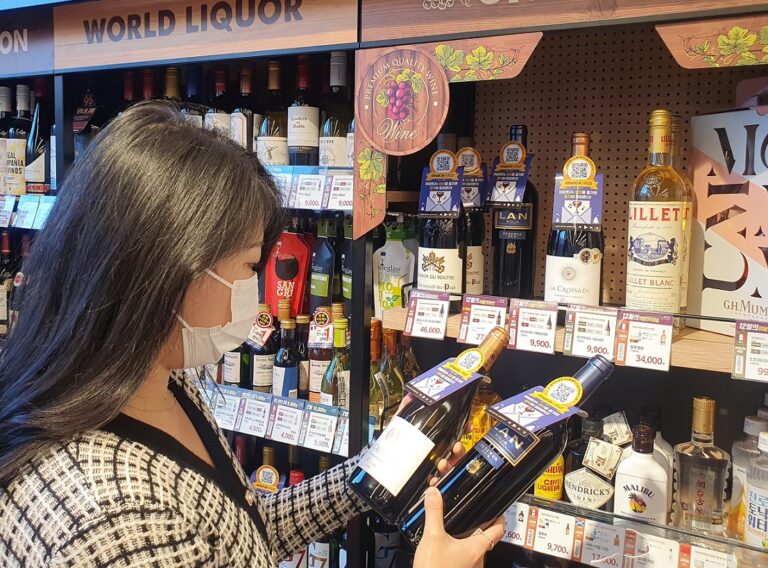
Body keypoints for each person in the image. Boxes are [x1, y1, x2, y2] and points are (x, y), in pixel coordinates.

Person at [0, 102, 503, 567]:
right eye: (248, 266)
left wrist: (384, 464)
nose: (258, 292)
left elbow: (241, 533)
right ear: (172, 268)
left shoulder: (155, 379)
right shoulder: (111, 521)